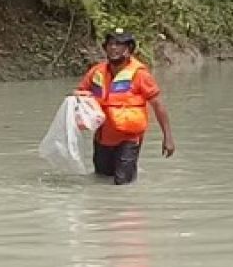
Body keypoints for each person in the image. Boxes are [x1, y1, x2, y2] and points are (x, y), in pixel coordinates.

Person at [75, 28, 175, 184]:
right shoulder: (96, 72)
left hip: (129, 139)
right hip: (102, 138)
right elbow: (80, 94)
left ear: (128, 49)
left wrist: (167, 137)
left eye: (118, 44)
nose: (113, 48)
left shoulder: (140, 74)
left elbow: (158, 105)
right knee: (101, 180)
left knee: (122, 184)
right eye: (110, 44)